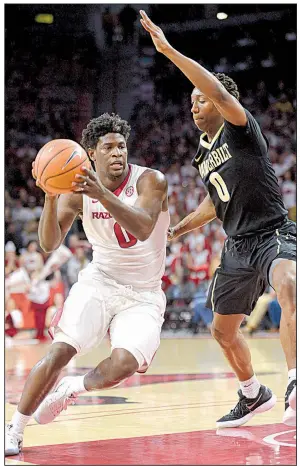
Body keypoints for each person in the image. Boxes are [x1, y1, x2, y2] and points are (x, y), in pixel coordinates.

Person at [140, 11, 296, 428]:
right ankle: (252, 394)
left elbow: (217, 90)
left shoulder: (239, 127)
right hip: (238, 244)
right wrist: (178, 229)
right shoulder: (204, 154)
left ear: (221, 101)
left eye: (201, 98)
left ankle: (295, 383)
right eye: (191, 100)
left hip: (273, 232)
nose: (193, 104)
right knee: (222, 331)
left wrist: (168, 50)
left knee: (290, 285)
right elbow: (215, 203)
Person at [5, 113, 169, 455]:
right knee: (60, 350)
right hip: (100, 281)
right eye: (108, 147)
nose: (117, 153)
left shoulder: (150, 181)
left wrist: (102, 194)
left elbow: (141, 228)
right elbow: (49, 243)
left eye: (121, 146)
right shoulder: (77, 191)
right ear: (91, 153)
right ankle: (15, 428)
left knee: (124, 363)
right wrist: (51, 196)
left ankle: (72, 389)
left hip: (143, 293)